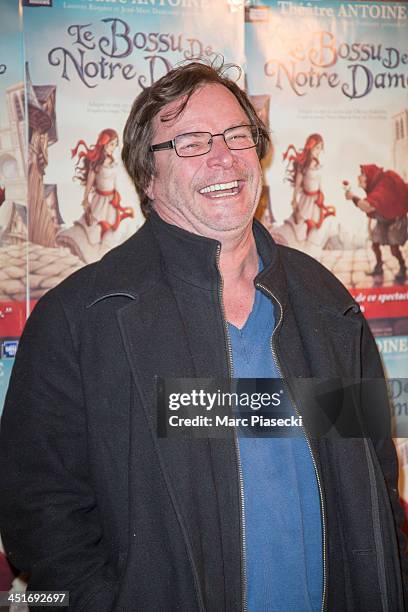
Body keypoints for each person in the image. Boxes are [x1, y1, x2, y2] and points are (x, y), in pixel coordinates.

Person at [0, 61, 406, 611]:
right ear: (148, 174)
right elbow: (40, 517)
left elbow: (372, 477)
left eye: (238, 135)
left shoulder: (324, 302)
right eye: (191, 141)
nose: (224, 155)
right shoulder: (80, 321)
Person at [56, 128, 134, 264]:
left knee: (111, 232)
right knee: (93, 232)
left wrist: (119, 200)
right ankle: (94, 260)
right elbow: (89, 185)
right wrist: (85, 201)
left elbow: (116, 183)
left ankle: (107, 260)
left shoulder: (114, 162)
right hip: (99, 201)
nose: (113, 147)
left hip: (112, 202)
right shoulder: (96, 164)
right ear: (103, 144)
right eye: (111, 144)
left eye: (115, 144)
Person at [271, 134, 337, 258]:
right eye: (317, 148)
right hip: (305, 201)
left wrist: (321, 200)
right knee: (301, 226)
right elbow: (297, 186)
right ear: (310, 147)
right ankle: (301, 254)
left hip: (316, 201)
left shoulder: (318, 165)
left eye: (320, 148)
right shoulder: (303, 166)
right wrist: (294, 200)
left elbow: (319, 184)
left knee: (314, 229)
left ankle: (310, 255)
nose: (319, 151)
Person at [345, 164, 408, 282]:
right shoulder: (375, 186)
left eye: (363, 174)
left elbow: (368, 207)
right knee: (375, 243)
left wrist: (353, 197)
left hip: (396, 220)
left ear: (370, 175)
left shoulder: (383, 185)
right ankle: (379, 267)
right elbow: (373, 208)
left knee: (394, 249)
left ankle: (403, 267)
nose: (359, 177)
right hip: (384, 219)